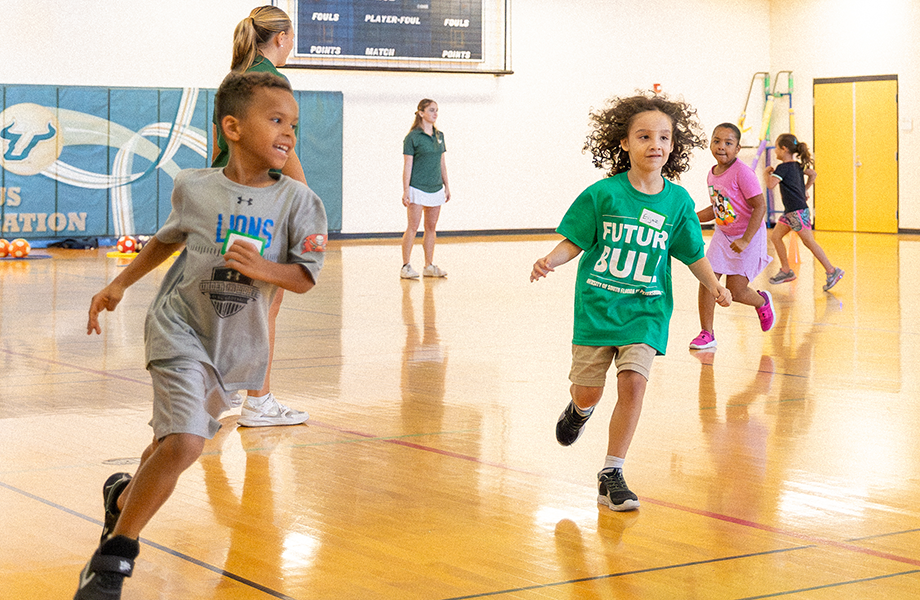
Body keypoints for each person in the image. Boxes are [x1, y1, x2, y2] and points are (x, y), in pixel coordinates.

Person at [75, 71, 327, 600]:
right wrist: (119, 284)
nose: (289, 135)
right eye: (276, 120)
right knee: (189, 442)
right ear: (232, 127)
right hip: (178, 327)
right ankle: (113, 561)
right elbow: (167, 240)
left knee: (168, 445)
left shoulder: (300, 202)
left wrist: (263, 268)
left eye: (294, 126)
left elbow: (304, 277)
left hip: (233, 347)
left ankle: (121, 499)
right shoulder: (194, 186)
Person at [530, 93, 732, 511]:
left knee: (634, 383)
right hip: (598, 308)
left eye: (663, 137)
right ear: (624, 143)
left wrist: (714, 285)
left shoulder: (677, 203)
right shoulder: (602, 194)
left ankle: (612, 473)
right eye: (643, 136)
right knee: (588, 391)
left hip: (646, 310)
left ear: (673, 146)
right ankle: (579, 411)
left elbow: (692, 253)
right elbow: (576, 240)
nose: (654, 144)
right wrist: (551, 259)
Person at [212, 5, 311, 426]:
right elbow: (280, 145)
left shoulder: (231, 80)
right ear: (283, 37)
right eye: (292, 39)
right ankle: (259, 401)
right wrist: (304, 201)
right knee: (265, 305)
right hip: (261, 201)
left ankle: (211, 401)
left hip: (227, 195)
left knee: (227, 306)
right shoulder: (273, 80)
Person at [689, 123, 775, 350]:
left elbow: (760, 206)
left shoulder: (743, 173)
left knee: (736, 292)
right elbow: (718, 208)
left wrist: (746, 239)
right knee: (707, 280)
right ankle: (707, 333)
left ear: (737, 149)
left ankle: (762, 301)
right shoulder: (712, 173)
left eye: (728, 143)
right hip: (723, 235)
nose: (721, 147)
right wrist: (692, 217)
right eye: (716, 141)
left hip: (748, 236)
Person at [765, 133, 844, 291]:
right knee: (775, 236)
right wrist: (804, 189)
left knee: (809, 242)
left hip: (796, 212)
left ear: (784, 149)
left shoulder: (783, 168)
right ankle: (786, 271)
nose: (775, 152)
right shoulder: (798, 166)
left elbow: (770, 185)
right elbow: (813, 174)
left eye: (777, 148)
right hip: (791, 212)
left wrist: (766, 173)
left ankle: (832, 270)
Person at [401, 99, 450, 279]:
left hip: (435, 188)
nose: (435, 113)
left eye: (436, 110)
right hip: (417, 188)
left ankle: (429, 265)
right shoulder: (412, 137)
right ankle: (405, 266)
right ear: (421, 113)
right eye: (431, 110)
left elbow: (442, 163)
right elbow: (407, 165)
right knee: (413, 227)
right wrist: (406, 189)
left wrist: (446, 185)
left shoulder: (440, 135)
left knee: (431, 227)